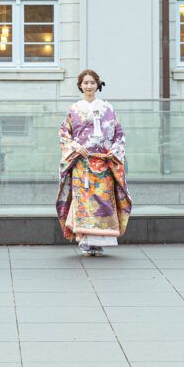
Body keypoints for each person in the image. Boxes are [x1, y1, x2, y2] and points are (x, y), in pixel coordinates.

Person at [56, 69, 132, 256]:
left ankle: (99, 242)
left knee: (103, 201)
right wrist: (75, 146)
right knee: (84, 202)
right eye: (85, 83)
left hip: (103, 163)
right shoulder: (74, 109)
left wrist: (112, 152)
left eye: (92, 82)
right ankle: (85, 240)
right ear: (80, 85)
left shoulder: (108, 108)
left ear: (98, 85)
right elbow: (64, 134)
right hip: (82, 163)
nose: (89, 86)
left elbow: (119, 134)